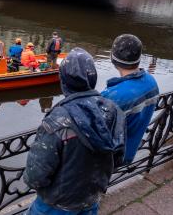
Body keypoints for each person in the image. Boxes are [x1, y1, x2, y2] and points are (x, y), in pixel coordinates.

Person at [24, 48, 125, 215]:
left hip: (55, 205)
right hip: (89, 201)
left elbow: (35, 176)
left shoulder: (57, 120)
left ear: (63, 82)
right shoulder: (113, 110)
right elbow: (118, 157)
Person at [101, 34, 159, 165]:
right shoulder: (151, 81)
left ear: (113, 58)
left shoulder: (112, 95)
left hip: (113, 156)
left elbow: (97, 132)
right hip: (131, 149)